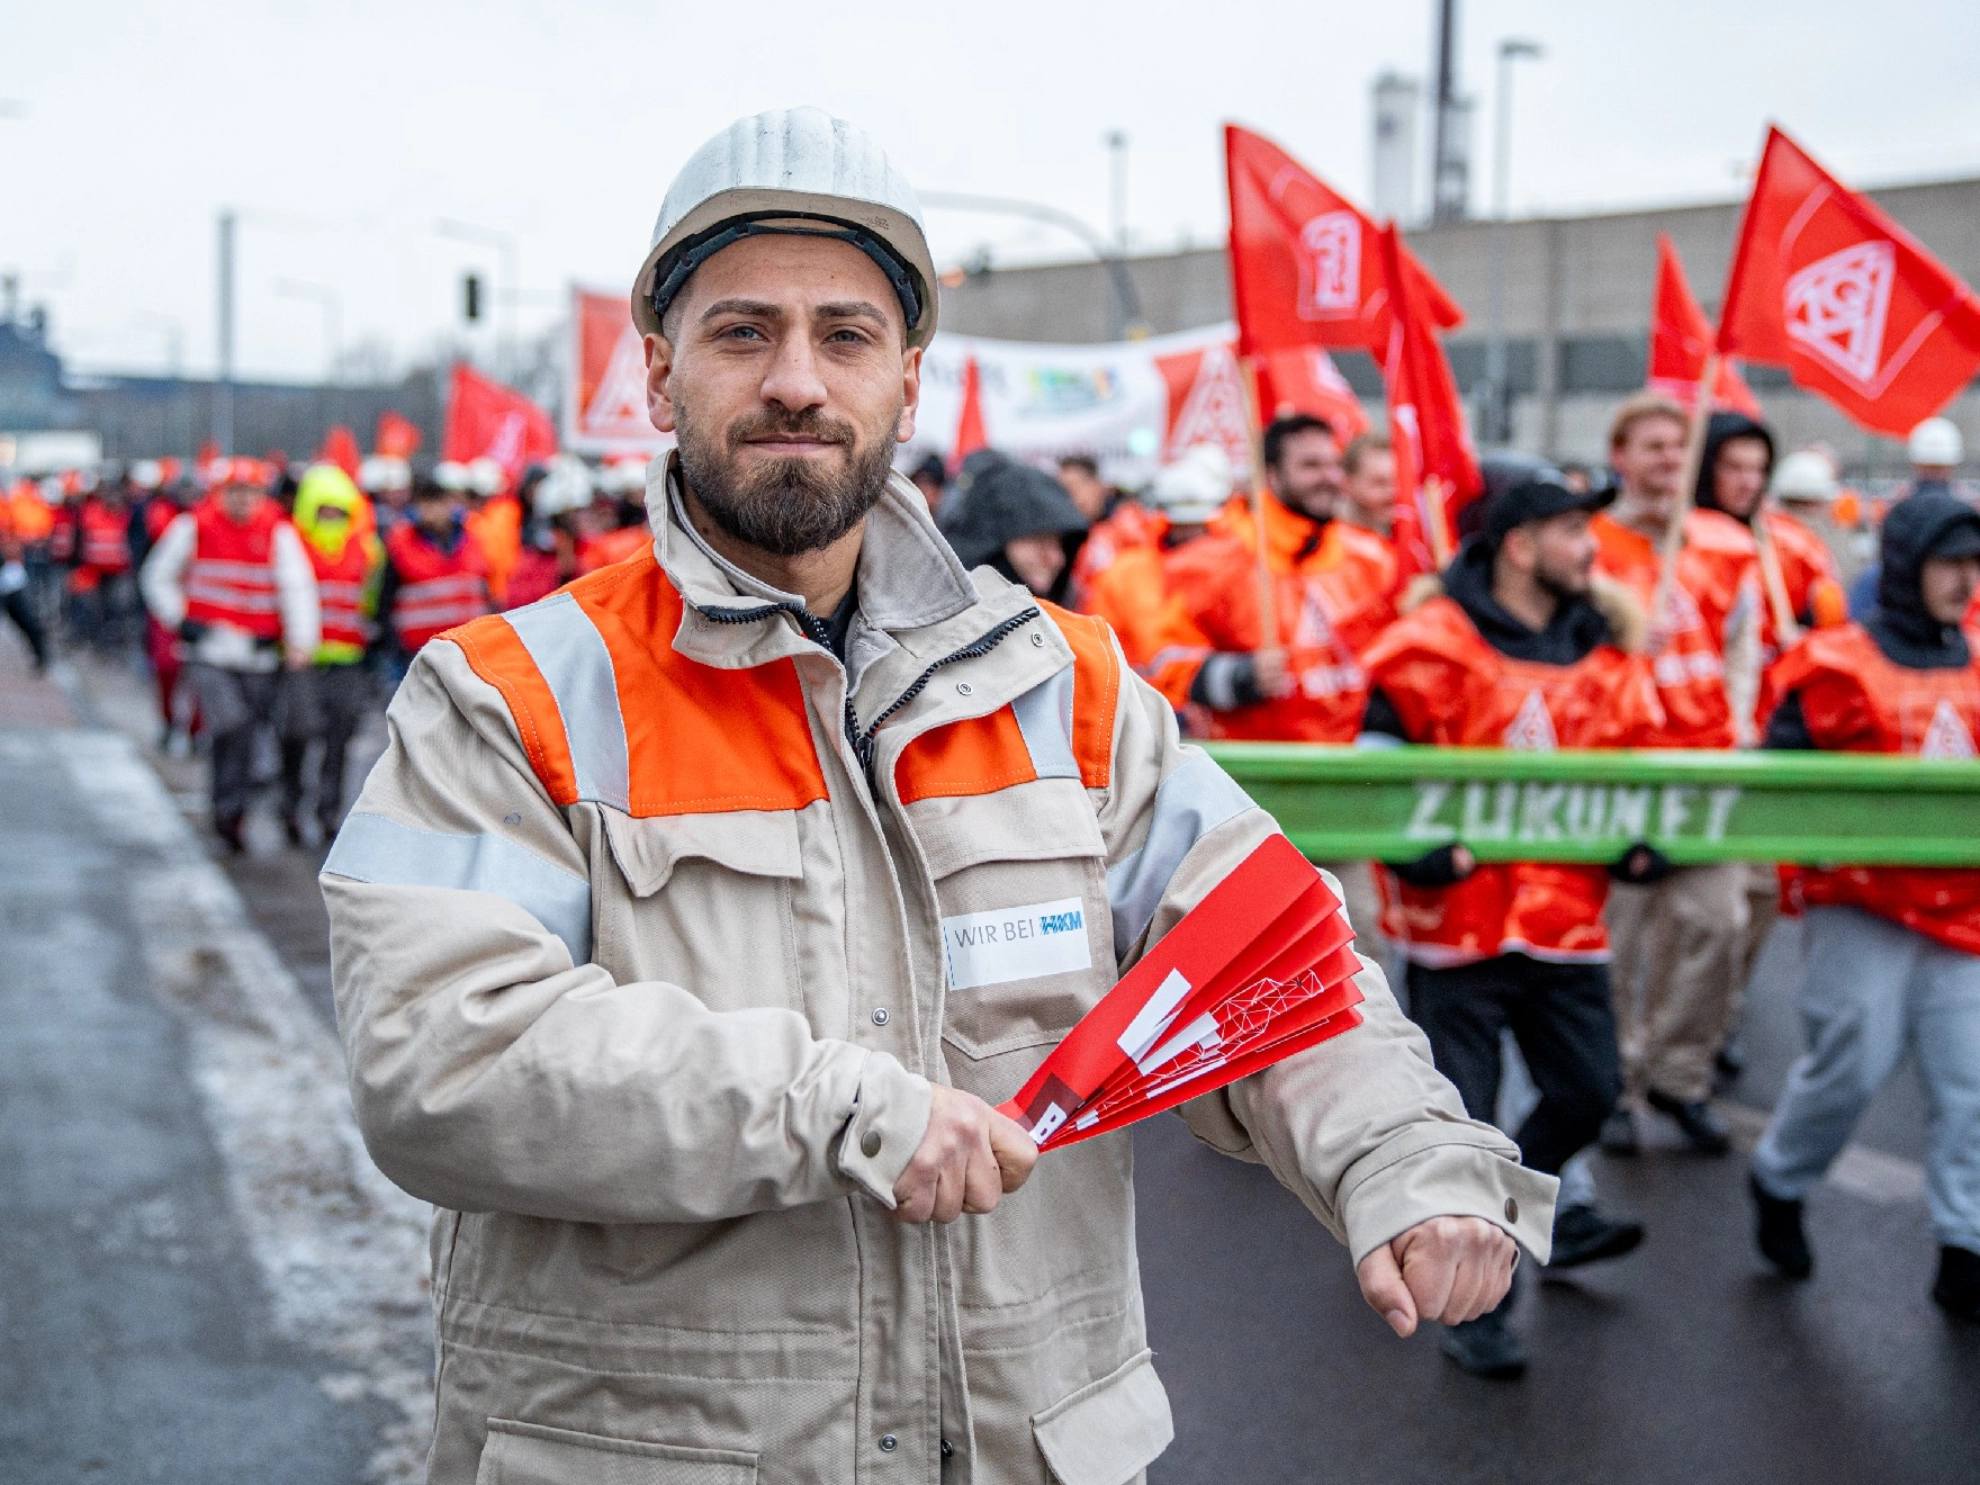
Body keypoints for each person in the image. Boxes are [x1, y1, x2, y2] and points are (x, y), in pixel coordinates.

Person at [323, 107, 1554, 1484]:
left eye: (844, 336)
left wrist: (1404, 1155)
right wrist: (845, 1111)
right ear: (660, 376)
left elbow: (1270, 957)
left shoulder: (1066, 687)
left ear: (909, 379)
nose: (797, 379)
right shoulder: (510, 694)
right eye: (743, 332)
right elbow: (443, 1055)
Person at [1362, 474, 1659, 1377]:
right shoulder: (1428, 644)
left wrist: (1649, 843)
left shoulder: (1606, 651)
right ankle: (1474, 1313)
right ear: (1520, 544)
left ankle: (1518, 1207)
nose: (1591, 548)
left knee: (1590, 1091)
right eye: (1574, 530)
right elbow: (1380, 765)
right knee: (1468, 1119)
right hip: (1458, 932)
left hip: (1568, 926)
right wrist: (1414, 848)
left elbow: (1642, 767)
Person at [1750, 488, 1980, 1323]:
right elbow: (1782, 779)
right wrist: (1812, 851)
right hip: (1863, 905)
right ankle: (1779, 1176)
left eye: (1972, 563)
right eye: (1949, 562)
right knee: (1850, 1066)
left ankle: (1966, 1244)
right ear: (1909, 565)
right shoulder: (1835, 661)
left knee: (1972, 1087)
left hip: (1967, 917)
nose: (1964, 580)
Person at [1590, 395, 1759, 1155]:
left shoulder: (1725, 542)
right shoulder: (1588, 542)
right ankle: (1617, 1084)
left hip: (1704, 767)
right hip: (1621, 769)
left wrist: (1740, 729)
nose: (1666, 460)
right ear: (1620, 455)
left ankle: (1679, 1072)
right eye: (1651, 446)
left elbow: (1742, 646)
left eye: (1676, 447)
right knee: (1619, 935)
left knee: (1716, 925)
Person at [1153, 413, 1398, 740]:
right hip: (1258, 768)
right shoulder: (1211, 563)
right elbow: (1165, 663)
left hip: (1351, 766)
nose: (1328, 477)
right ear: (1271, 475)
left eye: (1333, 464)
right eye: (1310, 466)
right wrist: (1240, 676)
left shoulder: (1372, 558)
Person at [140, 458, 319, 850]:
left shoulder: (278, 532)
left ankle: (233, 810)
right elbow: (157, 576)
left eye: (250, 492)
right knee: (229, 725)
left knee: (249, 735)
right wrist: (180, 618)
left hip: (258, 656)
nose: (242, 501)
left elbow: (297, 589)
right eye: (234, 492)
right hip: (209, 653)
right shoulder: (193, 525)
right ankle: (227, 808)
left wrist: (300, 641)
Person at [279, 464, 380, 844]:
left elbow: (370, 600)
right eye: (324, 510)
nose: (332, 518)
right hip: (302, 660)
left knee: (339, 741)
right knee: (297, 736)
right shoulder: (292, 543)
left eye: (339, 511)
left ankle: (328, 811)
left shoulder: (368, 549)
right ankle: (291, 806)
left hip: (348, 660)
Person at [374, 467, 493, 670]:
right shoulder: (400, 544)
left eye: (437, 501)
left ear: (449, 503)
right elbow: (385, 601)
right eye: (425, 502)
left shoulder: (472, 539)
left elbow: (485, 591)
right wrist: (396, 646)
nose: (432, 510)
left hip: (469, 649)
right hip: (418, 654)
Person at [936, 447, 1089, 601]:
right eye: (1040, 541)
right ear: (993, 543)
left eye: (1060, 544)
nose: (1058, 559)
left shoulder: (1070, 611)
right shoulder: (947, 610)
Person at [1340, 432, 1398, 540]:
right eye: (1379, 483)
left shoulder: (1411, 541)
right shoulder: (1331, 543)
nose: (1392, 492)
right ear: (1347, 485)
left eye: (1397, 482)